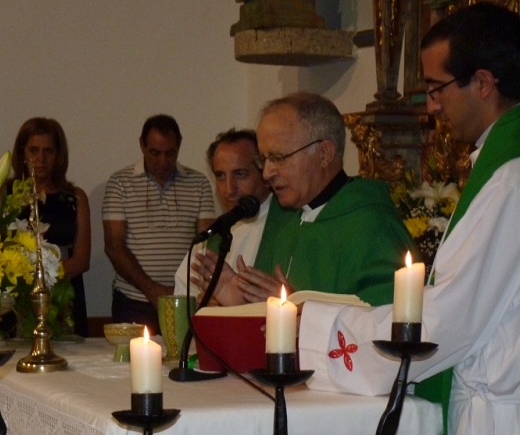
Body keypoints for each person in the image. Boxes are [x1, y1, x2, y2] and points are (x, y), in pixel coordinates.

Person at [298, 3, 520, 435]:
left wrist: (318, 328)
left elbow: (447, 320)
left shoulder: (514, 179)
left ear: (484, 83)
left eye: (438, 88)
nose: (432, 104)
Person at [193, 92, 416, 306]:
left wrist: (300, 308)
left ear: (324, 153)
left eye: (278, 158)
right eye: (264, 159)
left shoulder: (371, 225)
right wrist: (242, 303)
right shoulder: (286, 221)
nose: (267, 173)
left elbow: (386, 321)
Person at [102, 114, 215, 333]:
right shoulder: (120, 183)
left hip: (184, 299)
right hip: (134, 301)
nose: (162, 161)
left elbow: (205, 244)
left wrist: (180, 290)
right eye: (154, 153)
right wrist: (152, 290)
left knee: (183, 362)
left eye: (170, 153)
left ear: (179, 145)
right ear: (142, 146)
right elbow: (114, 246)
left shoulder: (199, 183)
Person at [11, 117, 91, 337]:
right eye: (33, 150)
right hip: (19, 301)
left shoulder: (75, 198)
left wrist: (43, 279)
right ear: (22, 153)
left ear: (59, 156)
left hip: (64, 299)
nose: (40, 159)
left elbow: (82, 260)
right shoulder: (6, 196)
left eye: (49, 151)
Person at [173, 128, 272, 296]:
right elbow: (183, 296)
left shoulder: (288, 224)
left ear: (265, 173)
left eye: (240, 174)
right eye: (220, 176)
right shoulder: (216, 232)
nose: (229, 190)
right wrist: (201, 304)